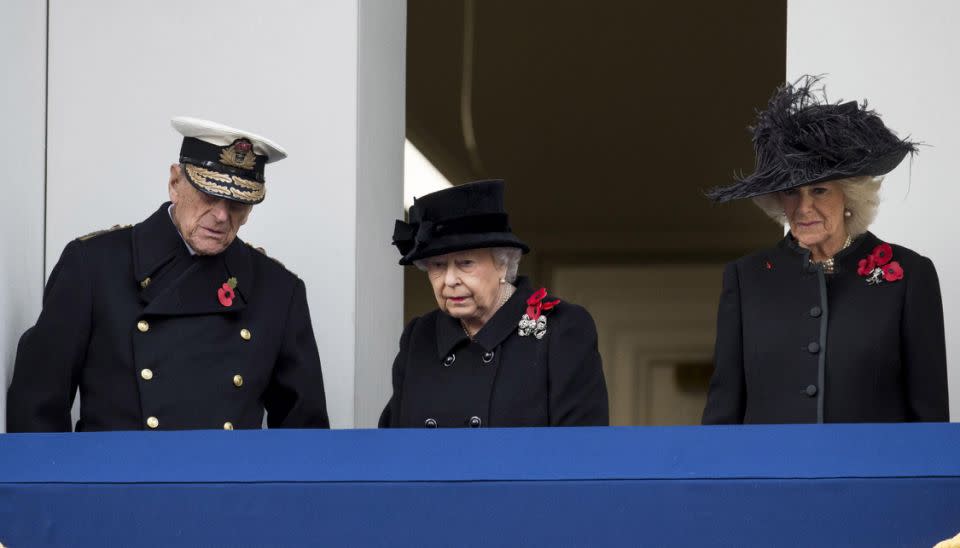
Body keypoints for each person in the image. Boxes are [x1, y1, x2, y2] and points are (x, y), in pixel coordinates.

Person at [7, 117, 329, 431]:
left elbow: (304, 439)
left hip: (224, 483)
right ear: (175, 182)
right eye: (210, 195)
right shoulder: (92, 266)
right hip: (119, 482)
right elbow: (37, 407)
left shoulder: (279, 291)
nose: (220, 215)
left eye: (236, 204)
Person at [701, 76, 948, 424]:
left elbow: (929, 418)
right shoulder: (746, 279)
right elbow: (723, 411)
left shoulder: (909, 275)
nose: (803, 208)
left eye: (819, 191)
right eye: (791, 192)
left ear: (848, 194)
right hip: (771, 477)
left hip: (872, 476)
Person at [379, 180, 608, 428]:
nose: (450, 280)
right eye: (438, 265)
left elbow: (581, 454)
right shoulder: (419, 337)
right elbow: (394, 449)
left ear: (503, 262)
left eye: (465, 263)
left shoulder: (562, 329)